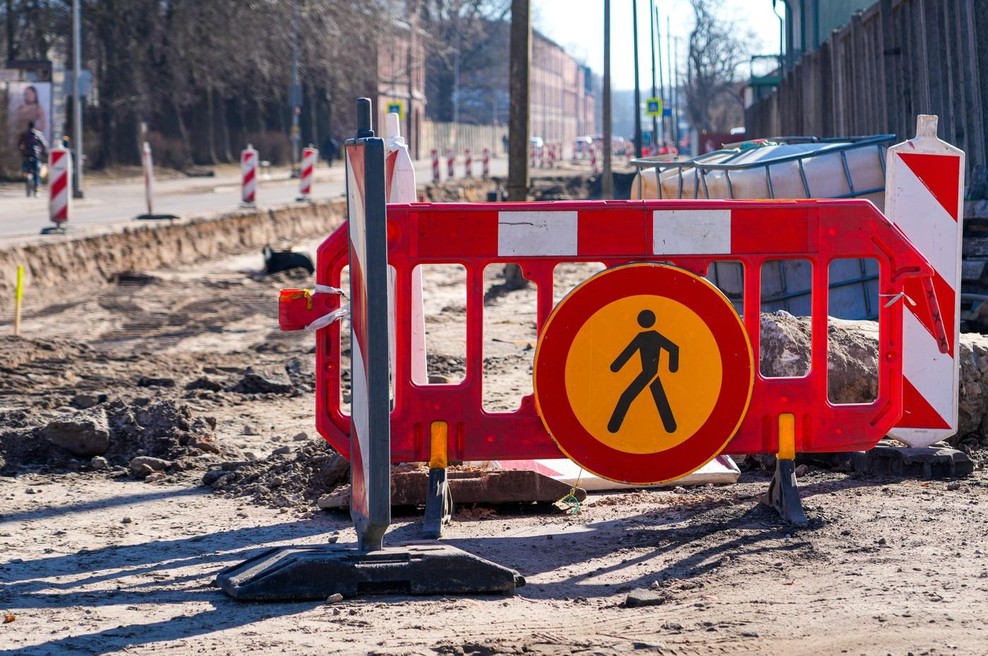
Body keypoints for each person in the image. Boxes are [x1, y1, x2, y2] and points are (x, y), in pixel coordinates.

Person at [18, 121, 48, 196]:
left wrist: (22, 151)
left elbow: (19, 144)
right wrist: (44, 152)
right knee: (36, 171)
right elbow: (44, 144)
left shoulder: (24, 134)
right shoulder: (37, 133)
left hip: (26, 154)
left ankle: (25, 172)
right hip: (35, 154)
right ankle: (37, 187)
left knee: (26, 166)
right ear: (34, 126)